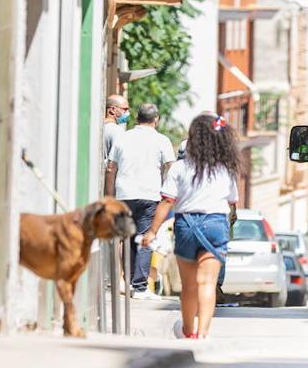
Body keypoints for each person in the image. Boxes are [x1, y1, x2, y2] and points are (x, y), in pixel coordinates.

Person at [142, 113, 240, 339]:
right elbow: (232, 201)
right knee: (207, 283)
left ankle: (189, 331)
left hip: (186, 225)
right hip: (215, 224)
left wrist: (152, 231)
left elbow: (167, 201)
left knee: (189, 287)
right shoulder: (226, 170)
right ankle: (203, 333)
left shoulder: (179, 168)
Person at [106, 103, 175, 300]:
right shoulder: (162, 140)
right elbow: (171, 167)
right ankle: (140, 287)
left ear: (137, 118)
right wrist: (167, 191)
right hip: (149, 195)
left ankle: (128, 283)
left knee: (127, 237)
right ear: (156, 120)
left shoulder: (122, 137)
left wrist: (109, 197)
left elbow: (111, 168)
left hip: (123, 194)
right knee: (145, 238)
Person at [102, 94, 130, 159]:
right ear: (112, 110)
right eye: (125, 109)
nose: (128, 113)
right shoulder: (117, 130)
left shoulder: (99, 127)